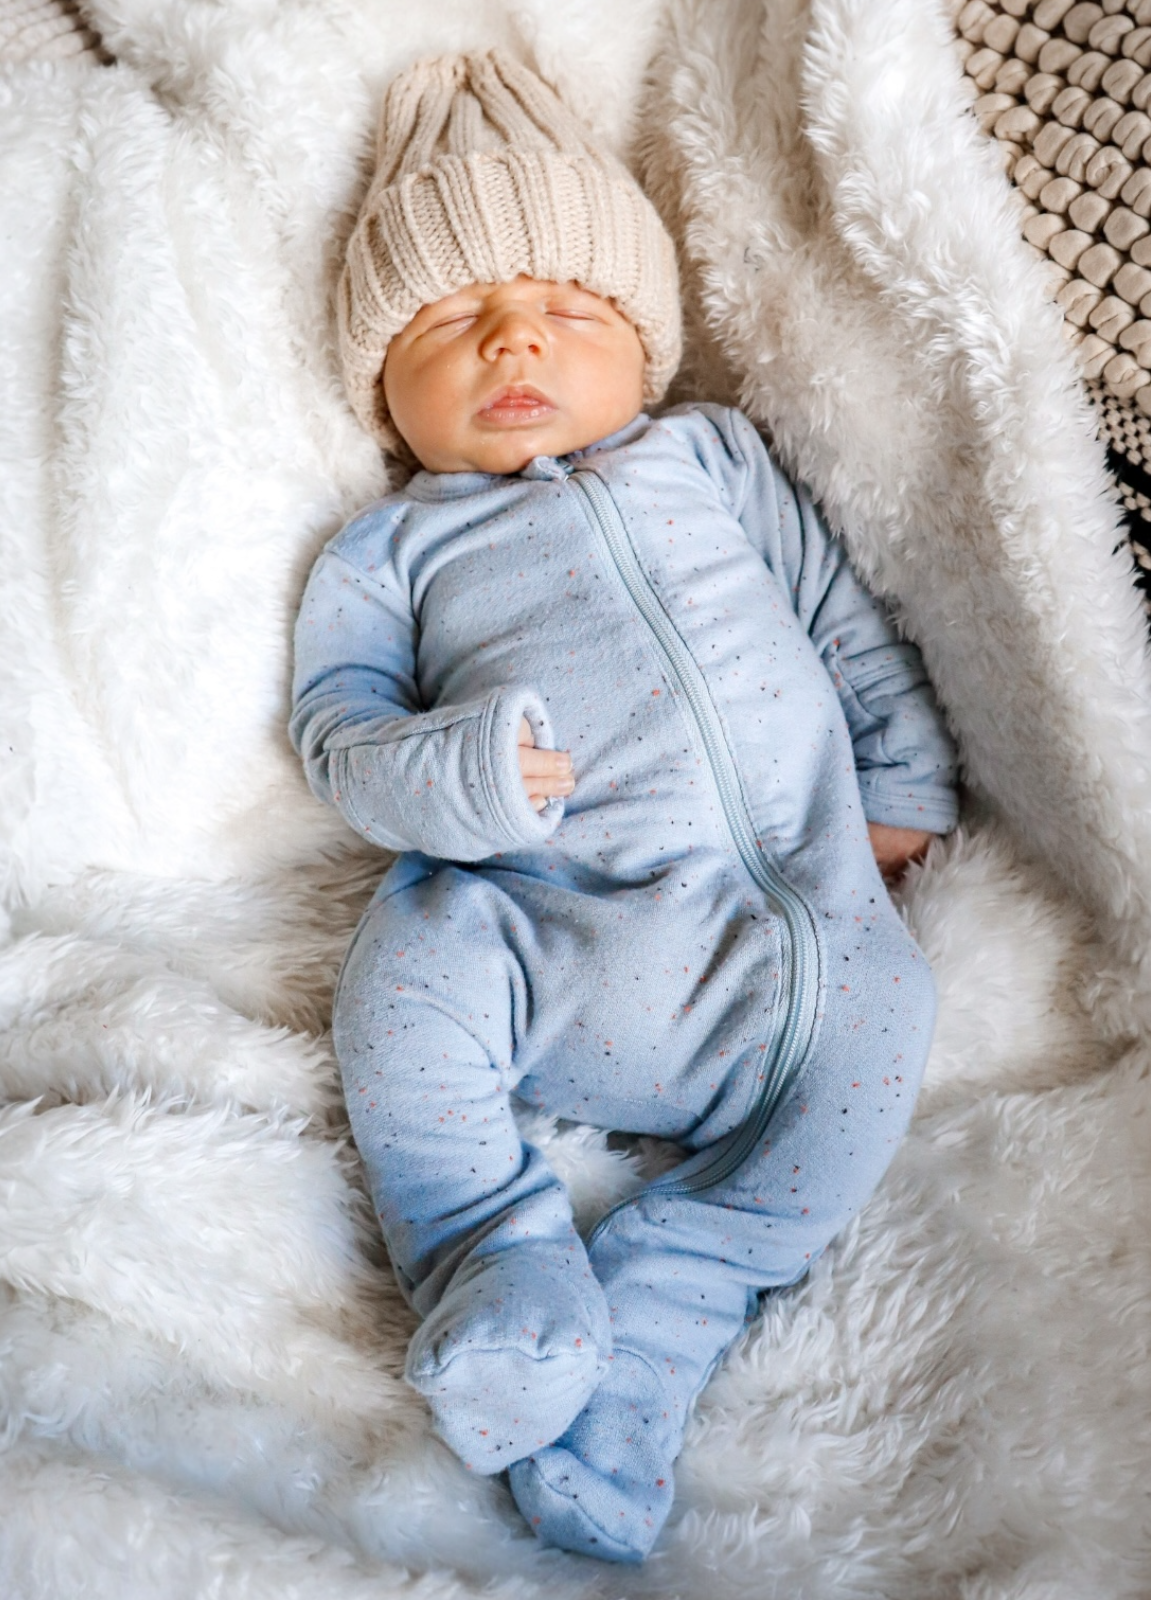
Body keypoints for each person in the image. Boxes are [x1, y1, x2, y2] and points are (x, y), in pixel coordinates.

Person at [291, 48, 959, 1563]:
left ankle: (671, 1305)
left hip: (775, 934)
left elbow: (841, 618)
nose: (517, 331)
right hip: (532, 929)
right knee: (400, 993)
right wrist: (458, 772)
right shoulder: (388, 551)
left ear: (643, 351)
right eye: (454, 318)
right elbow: (338, 739)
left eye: (570, 308)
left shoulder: (711, 461)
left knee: (891, 1015)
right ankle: (495, 1262)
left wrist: (901, 779)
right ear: (385, 391)